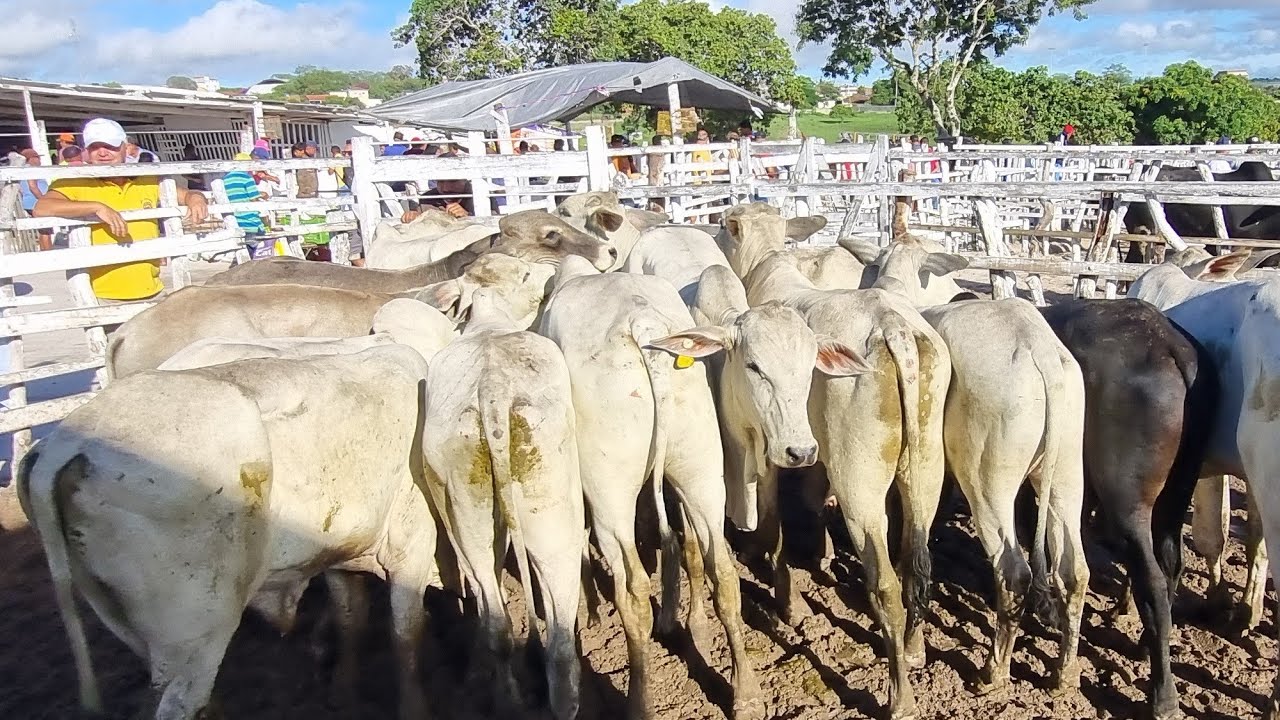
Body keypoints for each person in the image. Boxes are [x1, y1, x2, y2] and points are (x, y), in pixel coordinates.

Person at [32, 118, 208, 302]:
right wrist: (96, 207)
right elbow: (42, 208)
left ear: (126, 147)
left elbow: (185, 194)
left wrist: (195, 198)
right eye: (94, 147)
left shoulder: (146, 179)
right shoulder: (73, 182)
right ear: (86, 151)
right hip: (102, 295)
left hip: (153, 289)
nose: (102, 153)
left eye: (110, 146)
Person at [224, 152, 269, 256]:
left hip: (235, 219)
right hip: (250, 220)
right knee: (258, 250)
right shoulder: (247, 178)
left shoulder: (226, 179)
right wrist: (263, 195)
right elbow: (253, 198)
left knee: (244, 249)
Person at [16, 149, 52, 251]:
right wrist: (43, 200)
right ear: (31, 158)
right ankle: (49, 254)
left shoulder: (22, 170)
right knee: (46, 231)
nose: (39, 160)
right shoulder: (31, 169)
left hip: (30, 202)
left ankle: (44, 252)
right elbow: (33, 186)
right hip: (36, 202)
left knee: (42, 230)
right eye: (37, 157)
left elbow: (21, 189)